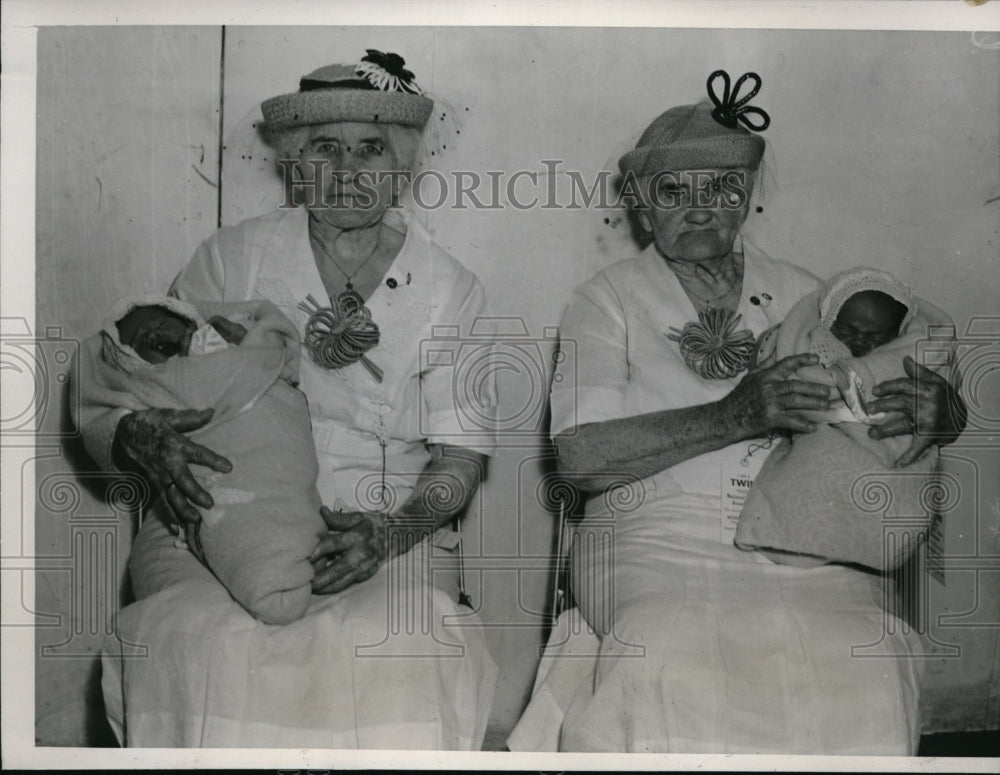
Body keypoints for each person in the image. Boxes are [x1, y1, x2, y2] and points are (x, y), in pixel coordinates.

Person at [508, 71, 966, 754]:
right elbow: (577, 459)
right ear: (640, 204)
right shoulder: (607, 301)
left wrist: (943, 413)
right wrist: (735, 414)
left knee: (860, 657)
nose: (700, 210)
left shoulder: (811, 296)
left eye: (722, 188)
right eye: (674, 191)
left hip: (806, 534)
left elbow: (895, 396)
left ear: (747, 197)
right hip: (651, 536)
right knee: (669, 652)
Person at [77, 51, 499, 748]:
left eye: (372, 150)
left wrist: (388, 535)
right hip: (218, 505)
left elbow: (459, 460)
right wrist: (139, 437)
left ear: (403, 166)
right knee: (201, 641)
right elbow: (136, 383)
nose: (349, 170)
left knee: (397, 644)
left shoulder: (452, 287)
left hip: (382, 520)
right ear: (295, 164)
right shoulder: (231, 254)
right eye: (325, 149)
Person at [91, 297, 326, 625]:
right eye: (137, 341)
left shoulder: (214, 339)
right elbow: (98, 379)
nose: (152, 332)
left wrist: (244, 341)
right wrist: (131, 425)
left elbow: (267, 347)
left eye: (160, 323)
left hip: (300, 478)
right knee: (197, 626)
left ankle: (279, 568)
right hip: (202, 502)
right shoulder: (224, 257)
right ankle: (271, 576)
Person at [736, 267, 957, 571]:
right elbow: (771, 362)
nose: (861, 344)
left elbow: (944, 389)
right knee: (812, 475)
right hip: (820, 438)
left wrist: (951, 411)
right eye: (848, 332)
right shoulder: (810, 336)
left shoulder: (912, 351)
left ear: (900, 333)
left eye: (878, 336)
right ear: (829, 323)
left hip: (886, 444)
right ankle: (789, 538)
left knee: (885, 488)